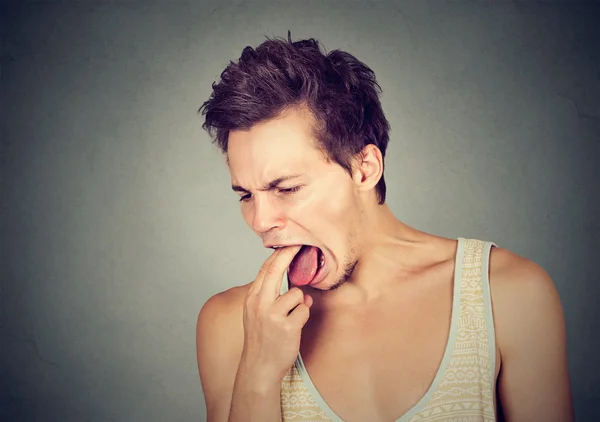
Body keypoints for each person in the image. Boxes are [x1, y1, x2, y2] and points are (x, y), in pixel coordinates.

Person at [195, 34, 574, 422]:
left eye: (287, 188)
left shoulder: (507, 295)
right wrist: (258, 375)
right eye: (245, 196)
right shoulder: (229, 325)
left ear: (365, 168)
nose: (260, 222)